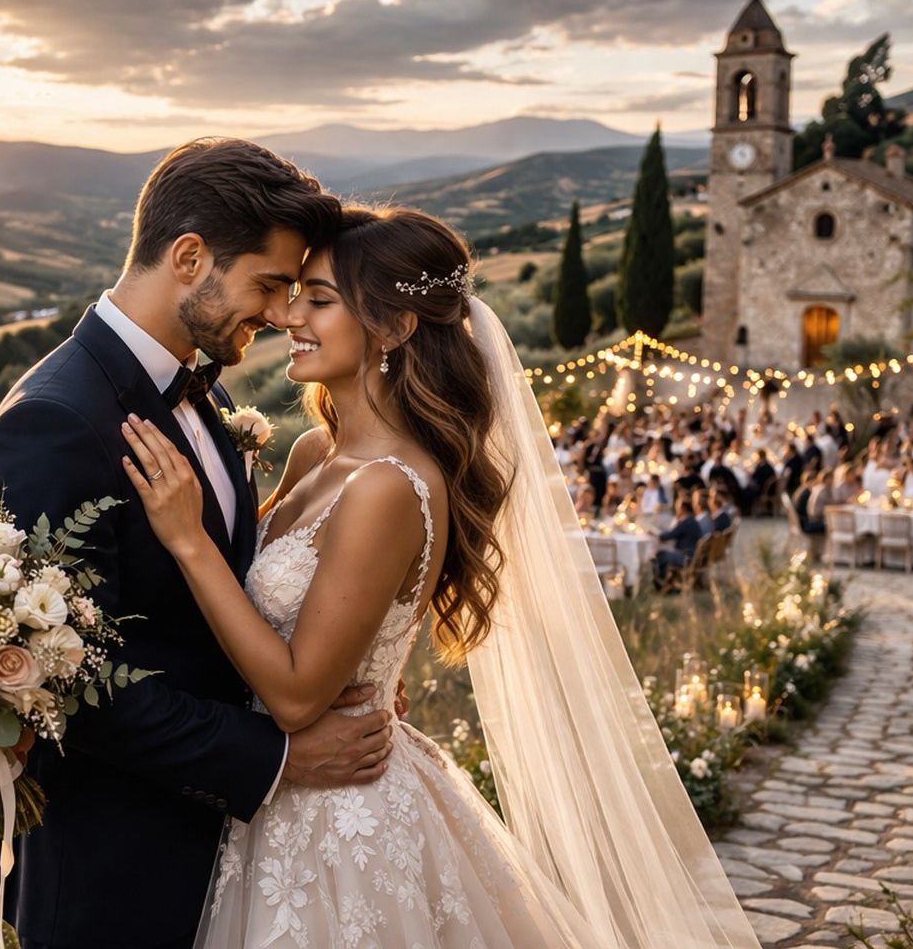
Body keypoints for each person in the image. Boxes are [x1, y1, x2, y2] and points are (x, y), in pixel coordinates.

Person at [121, 205, 759, 948]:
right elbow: (268, 612)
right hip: (267, 796)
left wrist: (189, 541)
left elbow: (297, 695)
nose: (290, 314)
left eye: (319, 299)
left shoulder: (390, 487)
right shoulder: (314, 456)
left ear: (394, 327)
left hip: (335, 820)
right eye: (296, 293)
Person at [0, 138, 395, 949]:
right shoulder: (55, 420)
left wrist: (340, 662)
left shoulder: (204, 390)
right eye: (269, 284)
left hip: (230, 858)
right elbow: (72, 683)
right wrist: (278, 757)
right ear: (191, 257)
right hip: (117, 868)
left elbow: (221, 594)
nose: (279, 314)